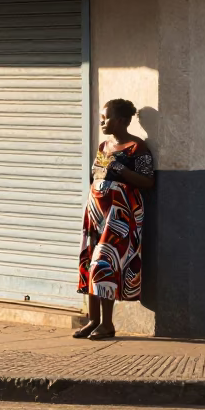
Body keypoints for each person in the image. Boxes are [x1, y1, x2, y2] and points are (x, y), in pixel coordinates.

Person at [74, 98, 155, 340]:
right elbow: (96, 174)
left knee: (104, 263)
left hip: (121, 215)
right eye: (101, 117)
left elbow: (148, 182)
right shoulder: (103, 146)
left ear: (122, 121)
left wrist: (120, 170)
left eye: (106, 118)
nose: (102, 122)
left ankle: (107, 324)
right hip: (97, 213)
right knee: (90, 261)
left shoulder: (137, 148)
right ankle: (93, 320)